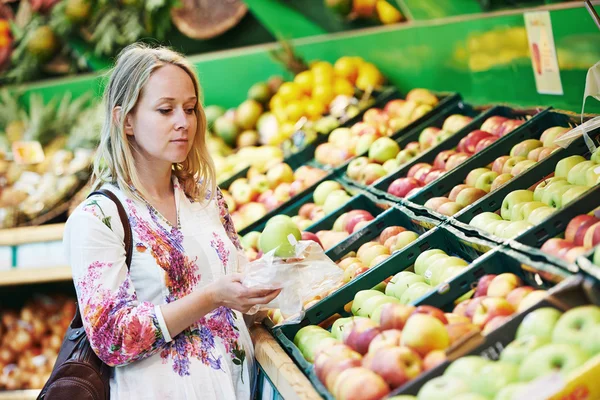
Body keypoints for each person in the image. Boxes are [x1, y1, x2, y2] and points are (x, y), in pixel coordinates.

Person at [63, 43, 281, 400]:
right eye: (165, 110)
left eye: (190, 108)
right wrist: (211, 296)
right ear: (126, 120)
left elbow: (238, 280)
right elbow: (112, 338)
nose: (183, 122)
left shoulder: (204, 198)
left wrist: (272, 280)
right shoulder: (98, 219)